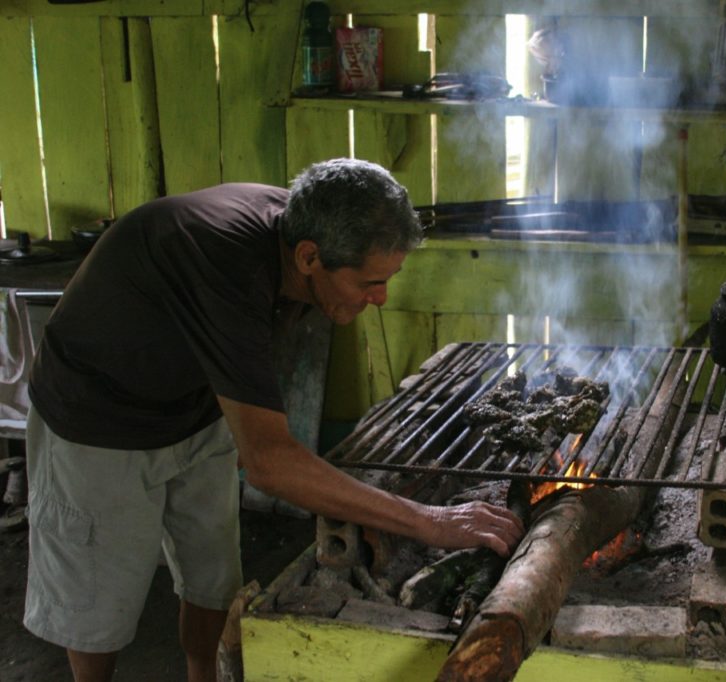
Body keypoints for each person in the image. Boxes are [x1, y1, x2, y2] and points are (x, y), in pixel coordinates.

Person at [23, 158, 525, 682]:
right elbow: (267, 464)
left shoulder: (308, 226)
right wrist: (430, 521)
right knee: (98, 608)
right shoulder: (227, 262)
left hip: (194, 409)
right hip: (98, 419)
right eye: (371, 282)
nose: (381, 298)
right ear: (310, 258)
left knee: (213, 581)